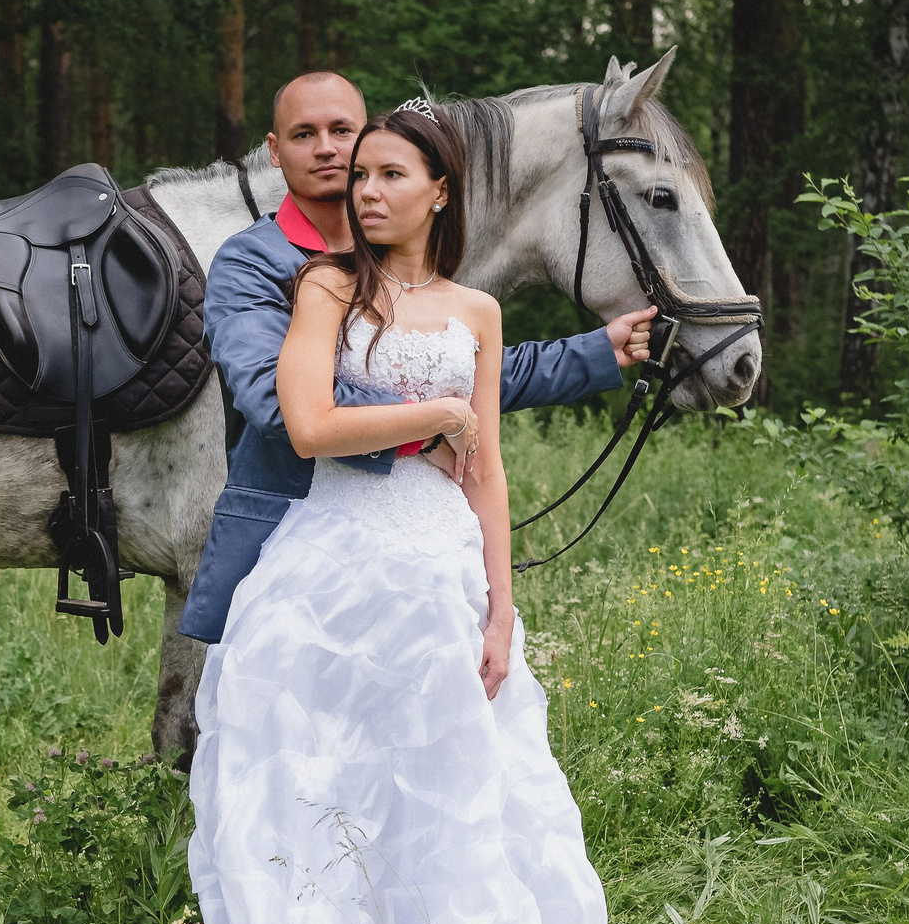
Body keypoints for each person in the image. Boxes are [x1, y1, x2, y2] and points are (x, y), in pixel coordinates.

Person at [185, 100, 608, 924]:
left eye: (386, 175)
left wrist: (501, 611)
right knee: (326, 779)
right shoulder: (327, 286)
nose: (364, 191)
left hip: (440, 570)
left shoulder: (477, 312)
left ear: (440, 192)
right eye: (358, 174)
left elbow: (488, 473)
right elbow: (308, 421)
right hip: (333, 565)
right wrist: (435, 412)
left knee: (446, 782)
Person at [177, 71, 655, 645]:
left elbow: (457, 374)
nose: (326, 148)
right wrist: (427, 431)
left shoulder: (408, 262)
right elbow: (273, 402)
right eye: (304, 134)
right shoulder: (251, 262)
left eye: (341, 131)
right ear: (275, 153)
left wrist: (594, 352)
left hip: (419, 535)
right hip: (293, 528)